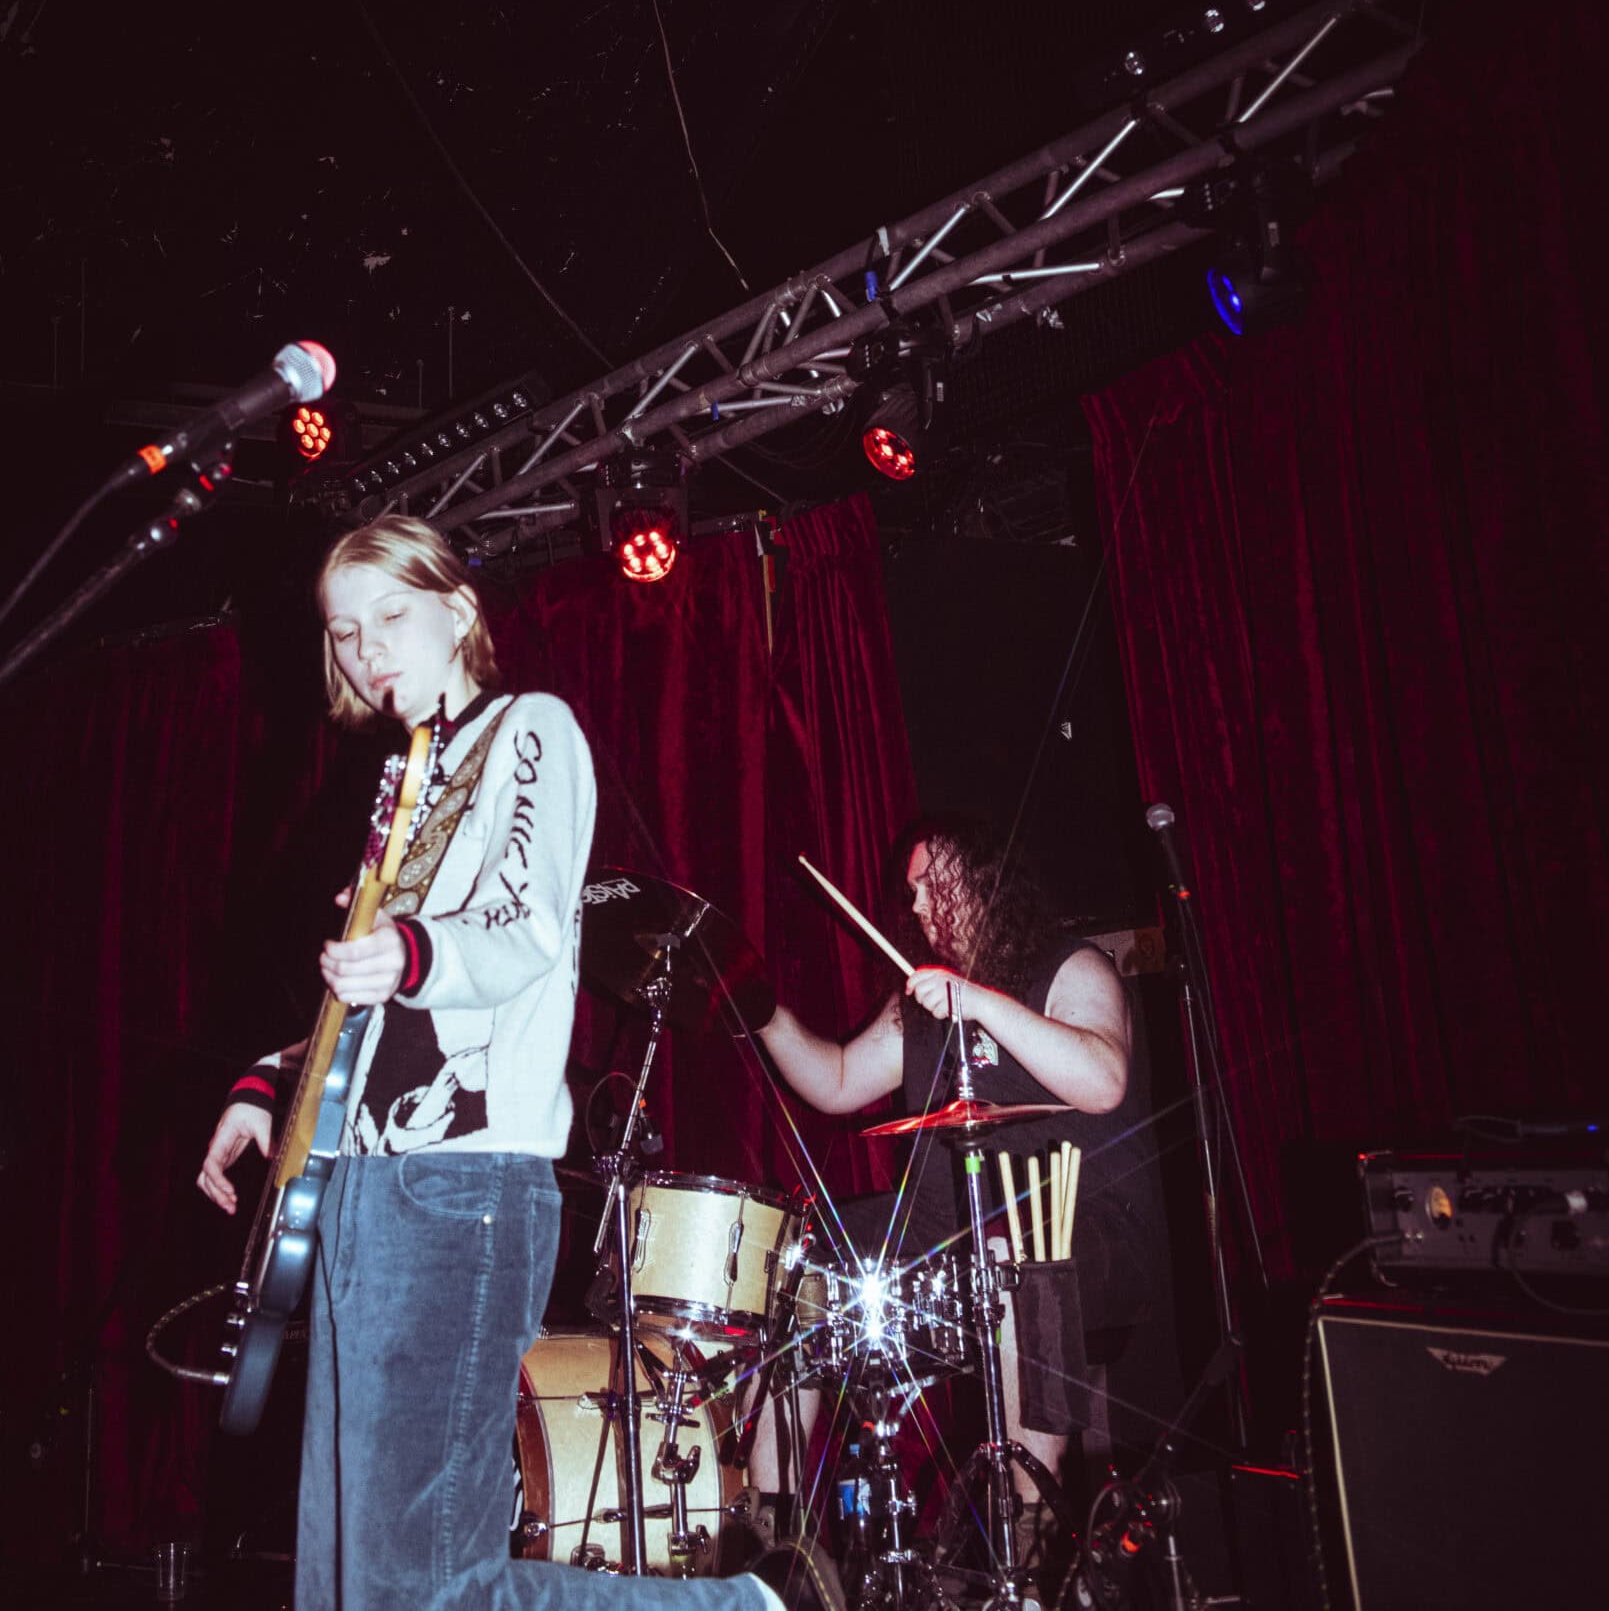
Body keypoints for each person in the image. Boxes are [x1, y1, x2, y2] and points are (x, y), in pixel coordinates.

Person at [197, 513, 778, 1611]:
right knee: (344, 1582)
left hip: (458, 1188)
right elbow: (373, 1004)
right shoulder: (403, 783)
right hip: (361, 1190)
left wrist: (411, 949)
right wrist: (271, 1083)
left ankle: (743, 1607)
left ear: (459, 607)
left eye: (390, 615)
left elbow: (521, 928)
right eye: (343, 631)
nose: (365, 649)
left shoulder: (527, 729)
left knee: (423, 1586)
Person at [755, 816, 1179, 1520]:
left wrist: (978, 1002)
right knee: (795, 1255)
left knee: (1008, 1255)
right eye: (911, 891)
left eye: (932, 885)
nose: (917, 905)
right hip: (944, 1231)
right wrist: (765, 1014)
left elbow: (1102, 1080)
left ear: (987, 883)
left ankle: (1029, 1522)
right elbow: (836, 1081)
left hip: (1080, 1227)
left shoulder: (1070, 968)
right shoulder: (920, 1002)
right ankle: (774, 1526)